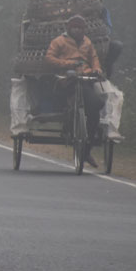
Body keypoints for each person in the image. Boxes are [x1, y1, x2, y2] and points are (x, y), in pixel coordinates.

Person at [45, 15, 106, 167]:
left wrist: (97, 69)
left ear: (84, 29)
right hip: (67, 80)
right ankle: (71, 126)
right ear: (69, 28)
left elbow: (94, 58)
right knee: (71, 105)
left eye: (80, 27)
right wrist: (68, 64)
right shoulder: (59, 41)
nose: (77, 30)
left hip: (85, 80)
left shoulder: (87, 42)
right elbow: (49, 58)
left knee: (96, 105)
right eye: (75, 27)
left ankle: (86, 150)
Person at [91, 0, 124, 78]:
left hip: (101, 42)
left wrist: (102, 32)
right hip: (83, 43)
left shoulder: (104, 11)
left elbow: (108, 28)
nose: (95, 0)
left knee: (117, 45)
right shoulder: (81, 10)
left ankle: (105, 70)